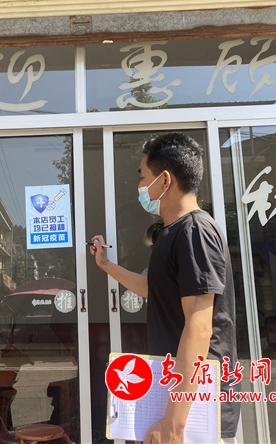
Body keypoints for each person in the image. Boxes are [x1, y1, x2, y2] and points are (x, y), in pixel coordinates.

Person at [89, 133, 240, 444]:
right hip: (180, 394)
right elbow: (154, 289)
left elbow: (199, 326)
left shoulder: (195, 231)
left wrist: (174, 424)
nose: (140, 186)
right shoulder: (174, 233)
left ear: (165, 180)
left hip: (198, 405)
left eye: (143, 176)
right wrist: (106, 265)